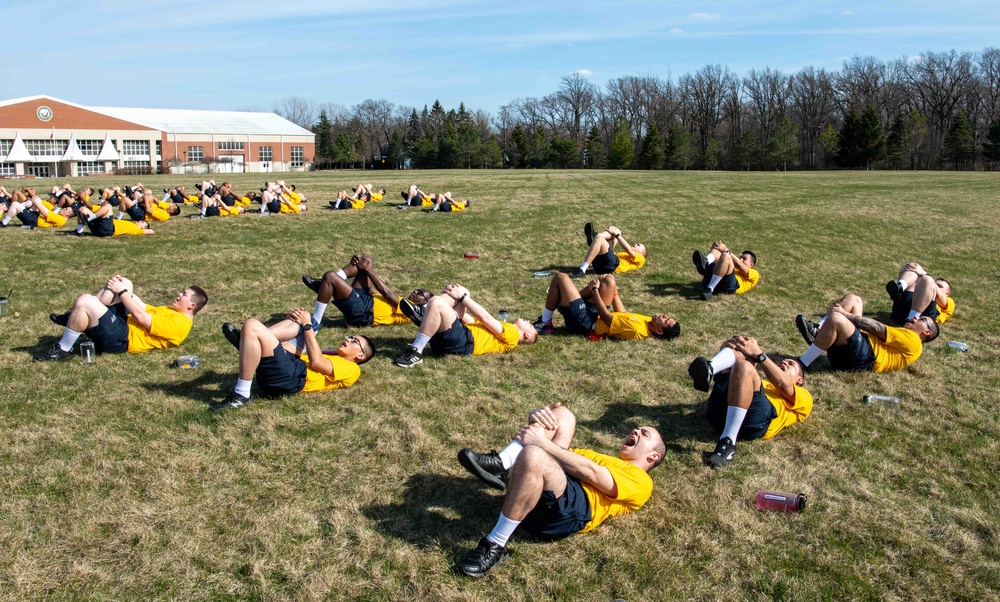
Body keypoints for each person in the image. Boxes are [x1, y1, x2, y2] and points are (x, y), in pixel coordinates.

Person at [454, 402, 664, 577]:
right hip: (551, 488)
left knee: (535, 454)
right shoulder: (602, 457)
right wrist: (537, 420)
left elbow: (593, 475)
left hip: (573, 509)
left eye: (644, 434)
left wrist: (541, 442)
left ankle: (495, 545)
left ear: (653, 456)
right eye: (637, 429)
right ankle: (503, 462)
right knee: (563, 415)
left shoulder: (642, 481)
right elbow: (558, 456)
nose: (635, 430)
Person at [213, 309, 374, 411]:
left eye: (355, 341)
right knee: (308, 322)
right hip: (290, 367)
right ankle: (251, 343)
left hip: (291, 377)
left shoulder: (353, 369)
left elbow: (316, 361)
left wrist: (307, 326)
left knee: (252, 325)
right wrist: (295, 321)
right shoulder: (336, 356)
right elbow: (310, 349)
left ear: (361, 356)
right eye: (350, 336)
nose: (348, 339)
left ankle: (241, 393)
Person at [688, 335, 812, 468]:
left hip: (755, 423)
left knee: (744, 366)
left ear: (800, 380)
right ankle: (710, 368)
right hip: (718, 414)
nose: (784, 363)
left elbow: (783, 384)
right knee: (740, 351)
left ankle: (728, 442)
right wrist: (740, 346)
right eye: (783, 361)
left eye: (791, 364)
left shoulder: (804, 396)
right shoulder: (762, 383)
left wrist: (759, 354)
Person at [35, 274, 206, 361]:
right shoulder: (172, 311)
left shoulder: (179, 324)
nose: (179, 294)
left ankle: (63, 348)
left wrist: (123, 292)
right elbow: (142, 307)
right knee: (124, 282)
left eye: (184, 294)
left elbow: (140, 316)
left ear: (191, 305)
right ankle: (75, 318)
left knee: (85, 301)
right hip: (124, 325)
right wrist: (123, 286)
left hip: (123, 339)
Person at [392, 285, 537, 367]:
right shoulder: (501, 335)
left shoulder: (512, 333)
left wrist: (461, 297)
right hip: (457, 340)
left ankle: (416, 351)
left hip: (462, 342)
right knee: (460, 292)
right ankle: (426, 313)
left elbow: (485, 318)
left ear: (527, 335)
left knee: (437, 301)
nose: (528, 321)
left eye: (530, 326)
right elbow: (469, 320)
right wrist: (453, 297)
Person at [794, 293, 938, 373]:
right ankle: (818, 331)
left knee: (837, 318)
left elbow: (877, 328)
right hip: (863, 346)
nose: (916, 317)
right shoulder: (906, 335)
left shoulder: (914, 340)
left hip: (864, 358)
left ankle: (804, 363)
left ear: (926, 331)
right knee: (854, 299)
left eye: (922, 319)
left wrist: (845, 314)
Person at [531, 273, 680, 340]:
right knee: (609, 281)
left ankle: (545, 322)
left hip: (585, 324)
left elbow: (606, 316)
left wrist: (595, 290)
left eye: (666, 321)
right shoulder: (648, 322)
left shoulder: (635, 329)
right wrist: (614, 291)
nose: (665, 316)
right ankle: (564, 299)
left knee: (560, 277)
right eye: (668, 317)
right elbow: (622, 312)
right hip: (595, 315)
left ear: (659, 331)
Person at [301, 254, 432, 328]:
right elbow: (374, 292)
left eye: (420, 293)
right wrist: (360, 265)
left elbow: (386, 292)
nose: (415, 291)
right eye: (417, 290)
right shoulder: (401, 300)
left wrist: (367, 270)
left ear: (423, 302)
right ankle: (326, 285)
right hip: (365, 301)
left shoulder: (410, 309)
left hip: (363, 313)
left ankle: (316, 322)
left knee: (330, 276)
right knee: (367, 260)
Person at [885, 262, 954, 325]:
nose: (935, 286)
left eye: (939, 286)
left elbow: (942, 300)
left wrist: (924, 274)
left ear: (947, 293)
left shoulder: (949, 301)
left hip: (922, 320)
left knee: (926, 279)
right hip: (900, 313)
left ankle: (911, 319)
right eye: (935, 284)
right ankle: (900, 286)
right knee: (914, 271)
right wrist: (904, 270)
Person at [571, 223, 647, 277]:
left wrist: (617, 235)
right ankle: (596, 239)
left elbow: (628, 250)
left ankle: (582, 268)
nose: (635, 244)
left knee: (601, 238)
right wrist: (614, 232)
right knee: (616, 231)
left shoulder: (641, 258)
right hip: (601, 266)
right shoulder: (624, 255)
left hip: (612, 266)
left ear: (642, 253)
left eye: (638, 245)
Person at [691, 241, 759, 301]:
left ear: (751, 264)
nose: (741, 259)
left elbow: (741, 266)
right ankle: (706, 262)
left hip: (729, 287)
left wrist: (726, 250)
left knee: (725, 255)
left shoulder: (754, 273)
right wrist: (715, 247)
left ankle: (709, 289)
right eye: (740, 257)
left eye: (744, 258)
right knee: (718, 250)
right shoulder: (734, 266)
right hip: (711, 280)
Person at [75, 203, 154, 236]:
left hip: (108, 229)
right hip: (99, 227)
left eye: (142, 222)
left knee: (108, 206)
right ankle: (79, 231)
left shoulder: (137, 230)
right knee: (82, 209)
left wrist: (144, 230)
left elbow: (151, 231)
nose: (140, 220)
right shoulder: (132, 224)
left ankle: (89, 218)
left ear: (142, 227)